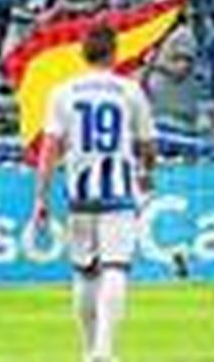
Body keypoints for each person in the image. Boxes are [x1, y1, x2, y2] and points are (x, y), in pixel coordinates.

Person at [31, 22, 157, 362]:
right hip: (117, 193)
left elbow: (50, 149)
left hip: (80, 194)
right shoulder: (129, 90)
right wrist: (148, 175)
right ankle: (105, 349)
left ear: (82, 53)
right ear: (114, 52)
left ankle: (88, 350)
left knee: (84, 271)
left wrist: (41, 197)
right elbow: (148, 144)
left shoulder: (63, 92)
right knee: (115, 268)